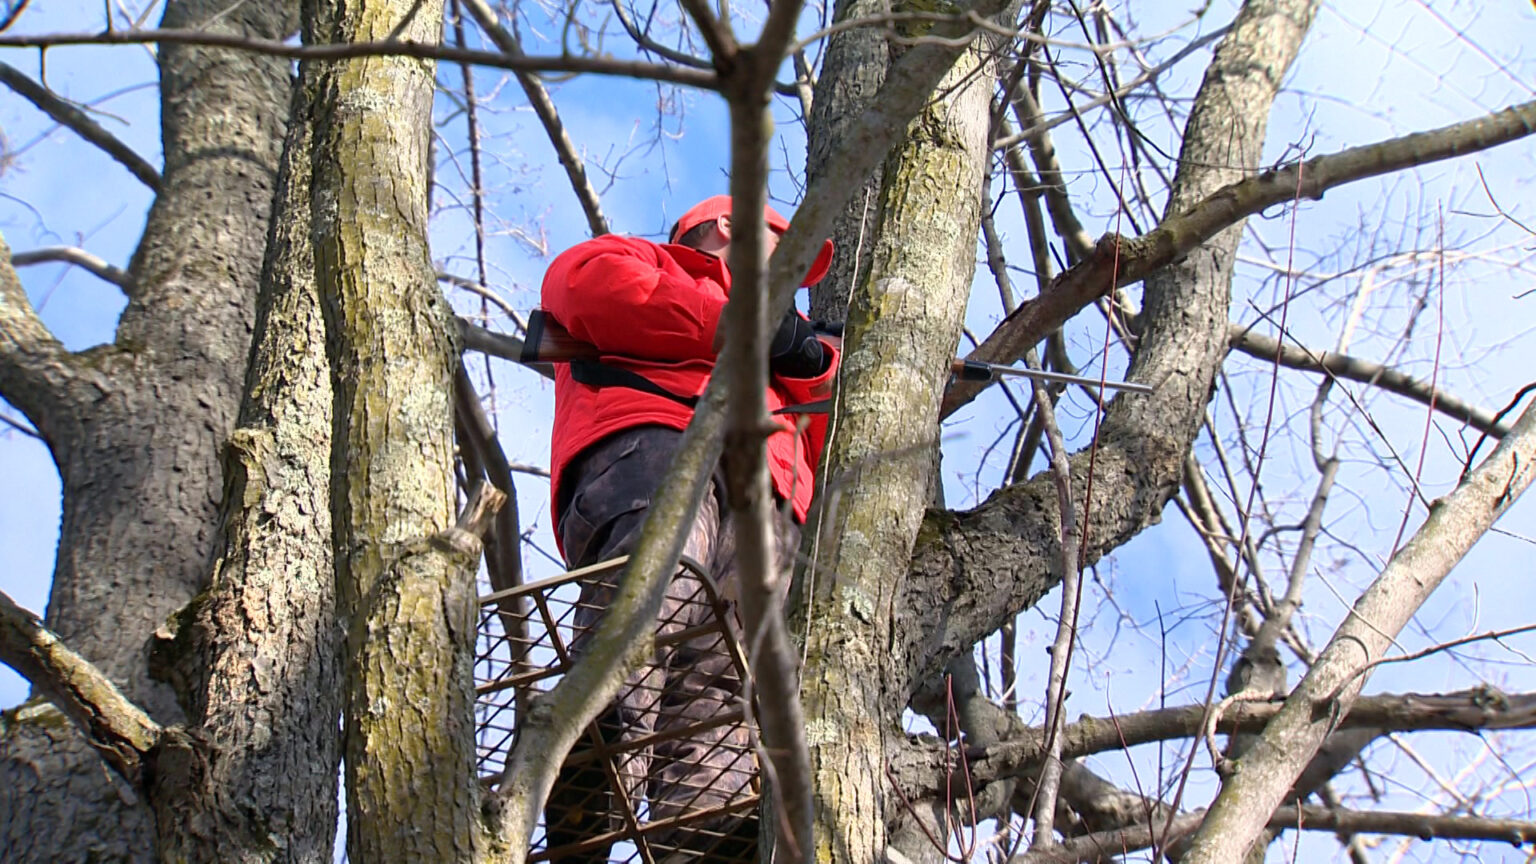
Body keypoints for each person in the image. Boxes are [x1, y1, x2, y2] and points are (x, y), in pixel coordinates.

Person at [539, 195, 838, 863]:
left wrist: (822, 359)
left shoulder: (791, 357)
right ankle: (594, 757)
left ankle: (700, 837)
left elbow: (853, 418)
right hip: (663, 445)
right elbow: (595, 292)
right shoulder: (636, 258)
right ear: (729, 227)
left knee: (722, 684)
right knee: (659, 582)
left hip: (770, 509)